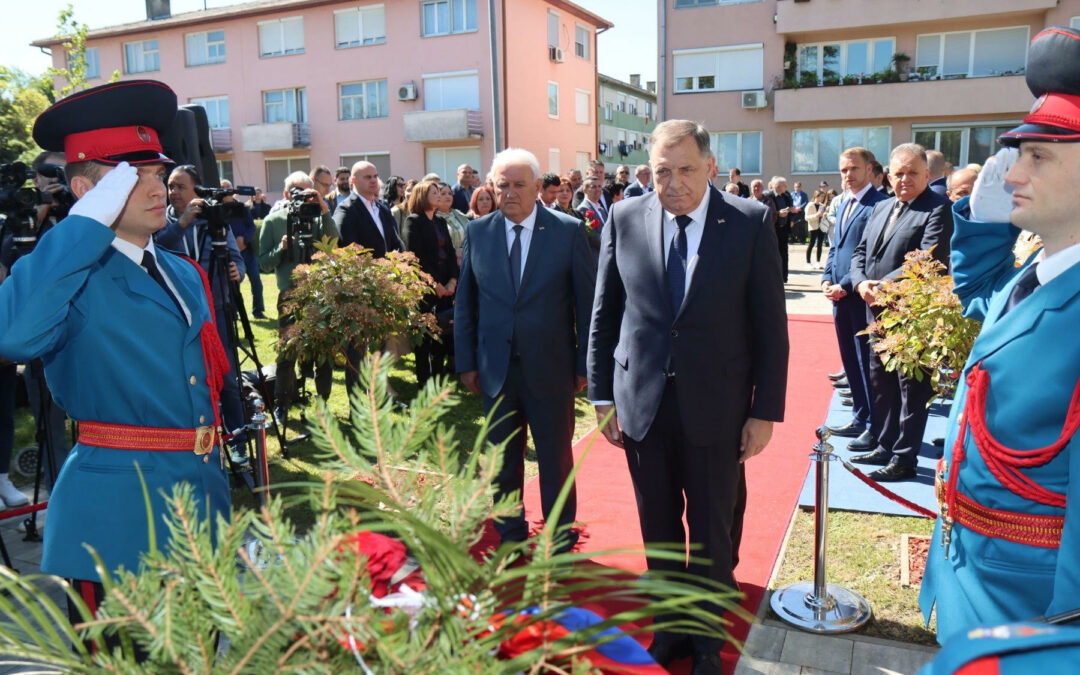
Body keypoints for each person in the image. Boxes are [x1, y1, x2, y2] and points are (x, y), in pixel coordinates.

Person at [0, 80, 230, 632]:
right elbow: (14, 336)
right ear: (87, 190)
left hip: (199, 508)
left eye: (157, 172)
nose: (158, 188)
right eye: (130, 177)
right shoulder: (69, 277)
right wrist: (82, 225)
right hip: (119, 524)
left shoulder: (182, 271)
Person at [588, 120, 788, 672]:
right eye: (661, 171)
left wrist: (764, 410)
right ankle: (670, 631)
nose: (673, 183)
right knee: (657, 529)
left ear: (711, 168)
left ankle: (705, 643)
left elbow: (771, 326)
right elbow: (605, 314)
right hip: (641, 403)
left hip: (718, 406)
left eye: (685, 170)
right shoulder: (625, 218)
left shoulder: (749, 221)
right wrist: (602, 395)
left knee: (710, 533)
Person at [919, 26, 1080, 642]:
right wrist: (985, 225)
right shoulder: (1035, 274)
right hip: (971, 577)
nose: (1012, 172)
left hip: (1031, 610)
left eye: (1038, 156)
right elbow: (982, 298)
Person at [454, 148, 596, 554]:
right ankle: (510, 533)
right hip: (496, 370)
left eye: (519, 185)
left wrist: (585, 363)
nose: (510, 193)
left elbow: (587, 306)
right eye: (503, 185)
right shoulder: (478, 232)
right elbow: (468, 303)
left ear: (538, 188)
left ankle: (559, 537)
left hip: (552, 369)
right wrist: (467, 362)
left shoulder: (568, 232)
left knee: (555, 461)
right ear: (492, 188)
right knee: (502, 461)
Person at [849, 143, 953, 481]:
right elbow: (861, 251)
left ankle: (905, 458)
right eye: (899, 173)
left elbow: (928, 259)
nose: (905, 179)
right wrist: (861, 282)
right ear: (888, 176)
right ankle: (885, 442)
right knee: (881, 381)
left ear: (926, 174)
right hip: (875, 310)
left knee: (912, 388)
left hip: (912, 316)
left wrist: (881, 285)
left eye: (912, 173)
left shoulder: (938, 208)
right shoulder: (881, 207)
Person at [155, 164, 249, 461]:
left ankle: (238, 442)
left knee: (228, 379)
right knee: (185, 380)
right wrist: (182, 222)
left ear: (198, 190)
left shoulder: (215, 222)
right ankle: (192, 445)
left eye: (180, 186)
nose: (173, 192)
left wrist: (238, 271)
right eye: (170, 186)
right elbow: (157, 249)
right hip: (177, 315)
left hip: (217, 310)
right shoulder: (161, 222)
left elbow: (237, 258)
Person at [257, 171, 339, 425]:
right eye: (298, 193)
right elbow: (263, 264)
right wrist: (280, 248)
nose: (304, 198)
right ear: (285, 195)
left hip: (318, 292)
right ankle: (282, 403)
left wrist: (323, 208)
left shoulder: (317, 219)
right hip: (289, 293)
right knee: (287, 351)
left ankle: (322, 405)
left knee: (324, 351)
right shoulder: (274, 221)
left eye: (309, 192)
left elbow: (334, 244)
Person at [821, 148, 888, 453]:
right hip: (839, 295)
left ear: (870, 169)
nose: (847, 175)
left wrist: (845, 285)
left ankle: (874, 424)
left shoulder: (879, 204)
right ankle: (859, 416)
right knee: (850, 360)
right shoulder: (844, 202)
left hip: (860, 296)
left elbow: (869, 255)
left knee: (866, 362)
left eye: (854, 169)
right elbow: (836, 248)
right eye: (843, 170)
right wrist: (825, 278)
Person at [333, 160, 405, 400]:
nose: (374, 181)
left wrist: (401, 265)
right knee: (357, 352)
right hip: (360, 291)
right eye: (367, 177)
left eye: (375, 176)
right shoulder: (346, 210)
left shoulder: (382, 207)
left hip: (386, 288)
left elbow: (395, 242)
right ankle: (358, 407)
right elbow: (348, 250)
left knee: (384, 347)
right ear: (353, 181)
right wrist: (378, 270)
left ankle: (382, 397)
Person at [402, 180, 458, 387]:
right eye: (433, 192)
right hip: (425, 287)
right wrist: (435, 285)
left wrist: (452, 280)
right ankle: (424, 380)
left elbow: (451, 253)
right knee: (424, 336)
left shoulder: (440, 221)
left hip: (446, 283)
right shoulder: (413, 222)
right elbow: (416, 258)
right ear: (421, 196)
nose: (438, 195)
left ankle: (439, 376)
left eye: (439, 192)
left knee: (443, 332)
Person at [765, 176, 794, 282]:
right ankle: (773, 277)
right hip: (773, 229)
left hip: (784, 229)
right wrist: (778, 213)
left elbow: (790, 207)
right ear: (777, 186)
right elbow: (767, 212)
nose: (786, 187)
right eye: (784, 185)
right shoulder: (768, 196)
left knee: (784, 253)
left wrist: (791, 215)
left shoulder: (786, 195)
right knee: (772, 254)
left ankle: (784, 276)